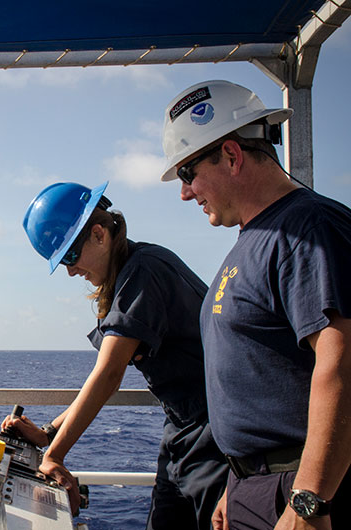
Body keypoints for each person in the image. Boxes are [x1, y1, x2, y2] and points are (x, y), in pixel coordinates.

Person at [159, 79, 351, 530]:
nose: (185, 192)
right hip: (257, 487)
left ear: (231, 154)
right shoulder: (257, 238)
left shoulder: (308, 228)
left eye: (188, 173)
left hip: (300, 492)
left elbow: (341, 364)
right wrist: (238, 478)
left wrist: (310, 499)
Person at [4, 181, 228, 530]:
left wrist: (55, 455)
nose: (70, 271)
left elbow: (108, 373)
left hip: (216, 435)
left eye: (69, 256)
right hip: (184, 432)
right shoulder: (130, 272)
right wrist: (49, 433)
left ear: (98, 234)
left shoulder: (144, 272)